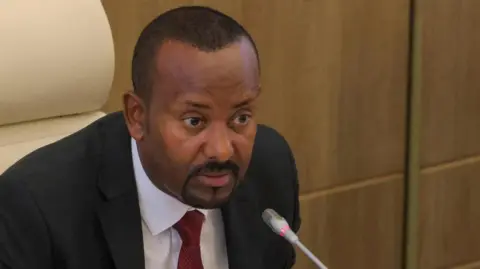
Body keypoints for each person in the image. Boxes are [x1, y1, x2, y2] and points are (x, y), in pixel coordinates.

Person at [0, 6, 300, 269]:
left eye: (240, 119)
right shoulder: (36, 209)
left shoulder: (270, 170)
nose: (222, 151)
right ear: (137, 117)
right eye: (195, 121)